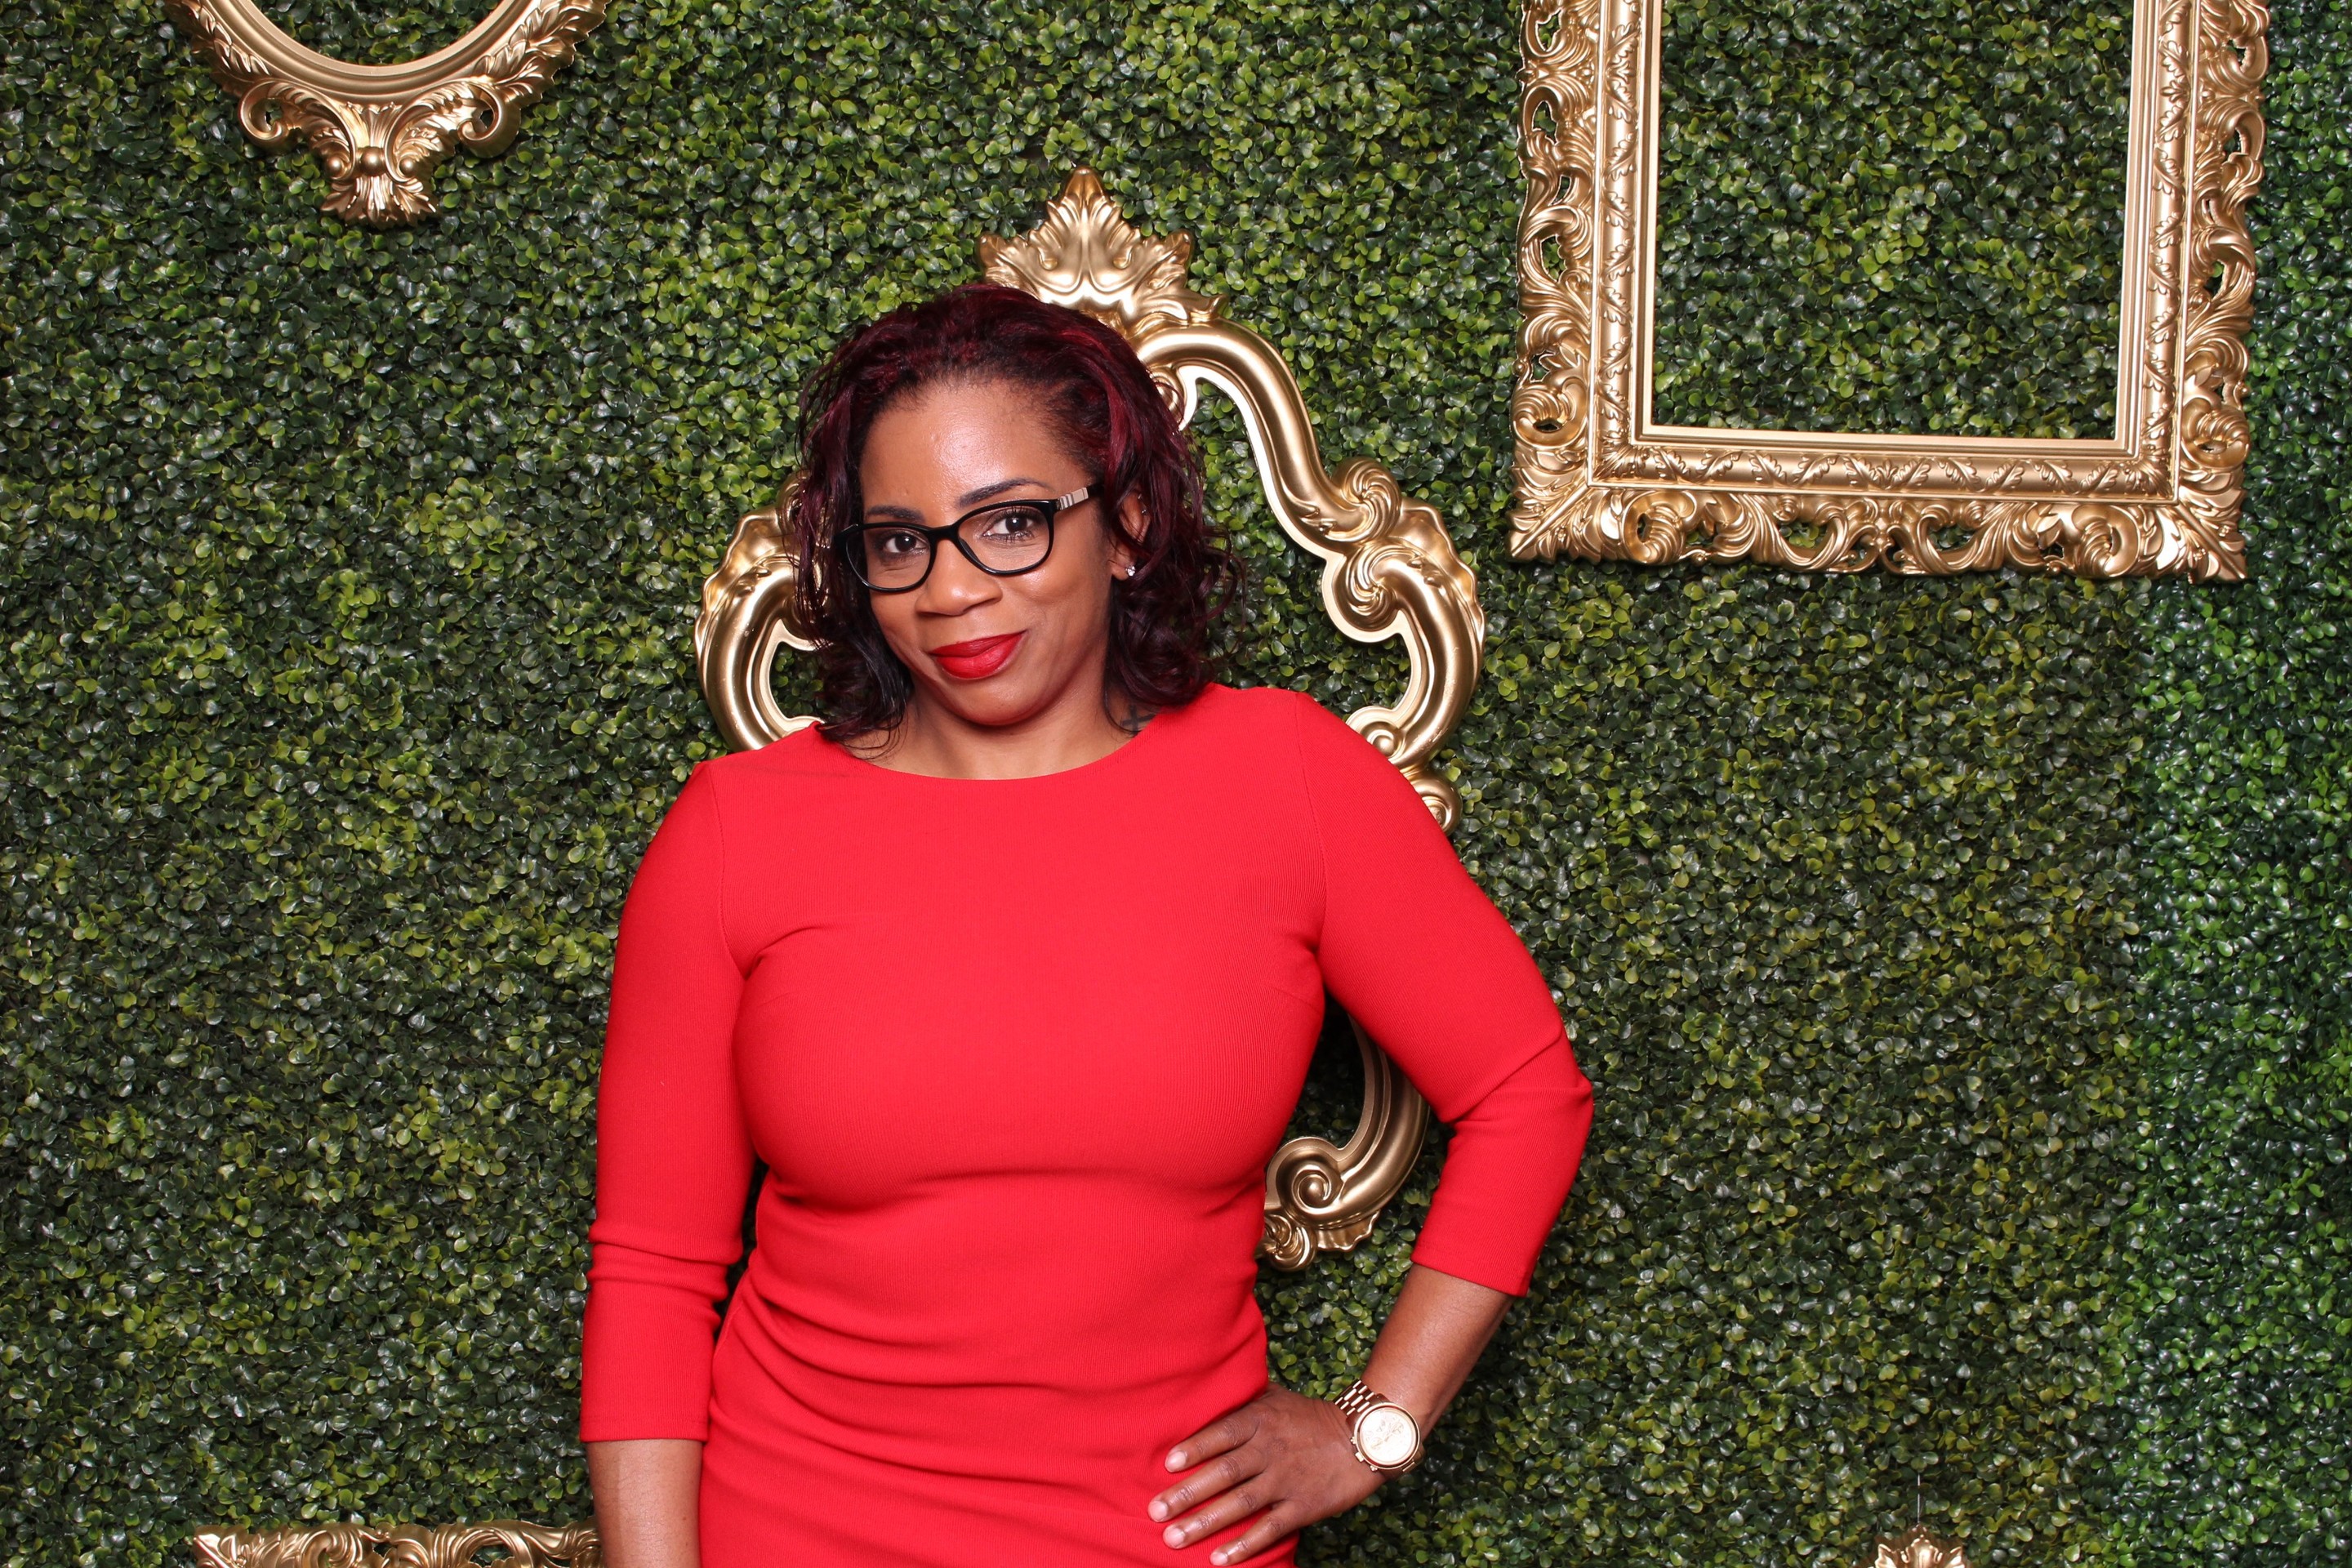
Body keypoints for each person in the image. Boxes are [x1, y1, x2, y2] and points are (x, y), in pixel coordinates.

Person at [580, 283, 1593, 1567]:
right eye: (898, 542)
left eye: (1009, 524)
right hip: (795, 1530)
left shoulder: (1286, 781)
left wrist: (1374, 1427)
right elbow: (654, 1275)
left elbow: (1527, 1096)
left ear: (1125, 525)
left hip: (1167, 1540)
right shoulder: (738, 832)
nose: (952, 591)